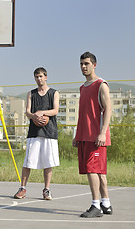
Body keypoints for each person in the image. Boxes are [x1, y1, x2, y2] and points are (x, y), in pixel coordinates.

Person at [73, 52, 113, 218]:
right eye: (81, 64)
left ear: (94, 65)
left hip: (96, 137)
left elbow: (108, 109)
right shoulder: (83, 88)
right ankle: (106, 204)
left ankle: (95, 205)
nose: (83, 66)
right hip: (84, 135)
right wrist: (77, 135)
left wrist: (102, 133)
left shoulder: (101, 84)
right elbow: (83, 114)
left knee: (92, 170)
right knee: (99, 172)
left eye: (87, 63)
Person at [14, 67, 60, 200]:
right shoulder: (31, 94)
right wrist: (34, 116)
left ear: (46, 77)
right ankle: (22, 188)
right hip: (34, 132)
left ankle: (47, 190)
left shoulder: (53, 93)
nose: (39, 79)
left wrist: (42, 113)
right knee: (28, 161)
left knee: (48, 162)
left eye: (41, 76)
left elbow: (55, 110)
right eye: (36, 77)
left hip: (49, 132)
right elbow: (27, 112)